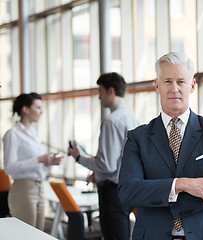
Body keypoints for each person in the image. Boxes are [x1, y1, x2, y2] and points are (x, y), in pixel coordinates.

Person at [118, 52, 203, 240]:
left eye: (181, 81)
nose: (174, 89)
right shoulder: (138, 138)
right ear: (156, 85)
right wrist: (180, 185)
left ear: (192, 85)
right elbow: (127, 191)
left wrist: (161, 196)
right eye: (167, 82)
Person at [68, 72, 139, 240]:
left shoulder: (111, 121)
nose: (99, 97)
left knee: (113, 236)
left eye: (100, 91)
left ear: (111, 91)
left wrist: (79, 158)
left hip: (112, 192)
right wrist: (97, 173)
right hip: (126, 188)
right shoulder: (131, 118)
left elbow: (107, 165)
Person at [2, 92, 63, 230]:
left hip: (39, 187)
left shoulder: (33, 134)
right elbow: (9, 168)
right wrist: (39, 159)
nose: (41, 112)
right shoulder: (13, 134)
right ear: (25, 109)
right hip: (23, 189)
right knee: (26, 233)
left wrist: (48, 163)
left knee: (38, 232)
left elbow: (37, 166)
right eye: (38, 107)